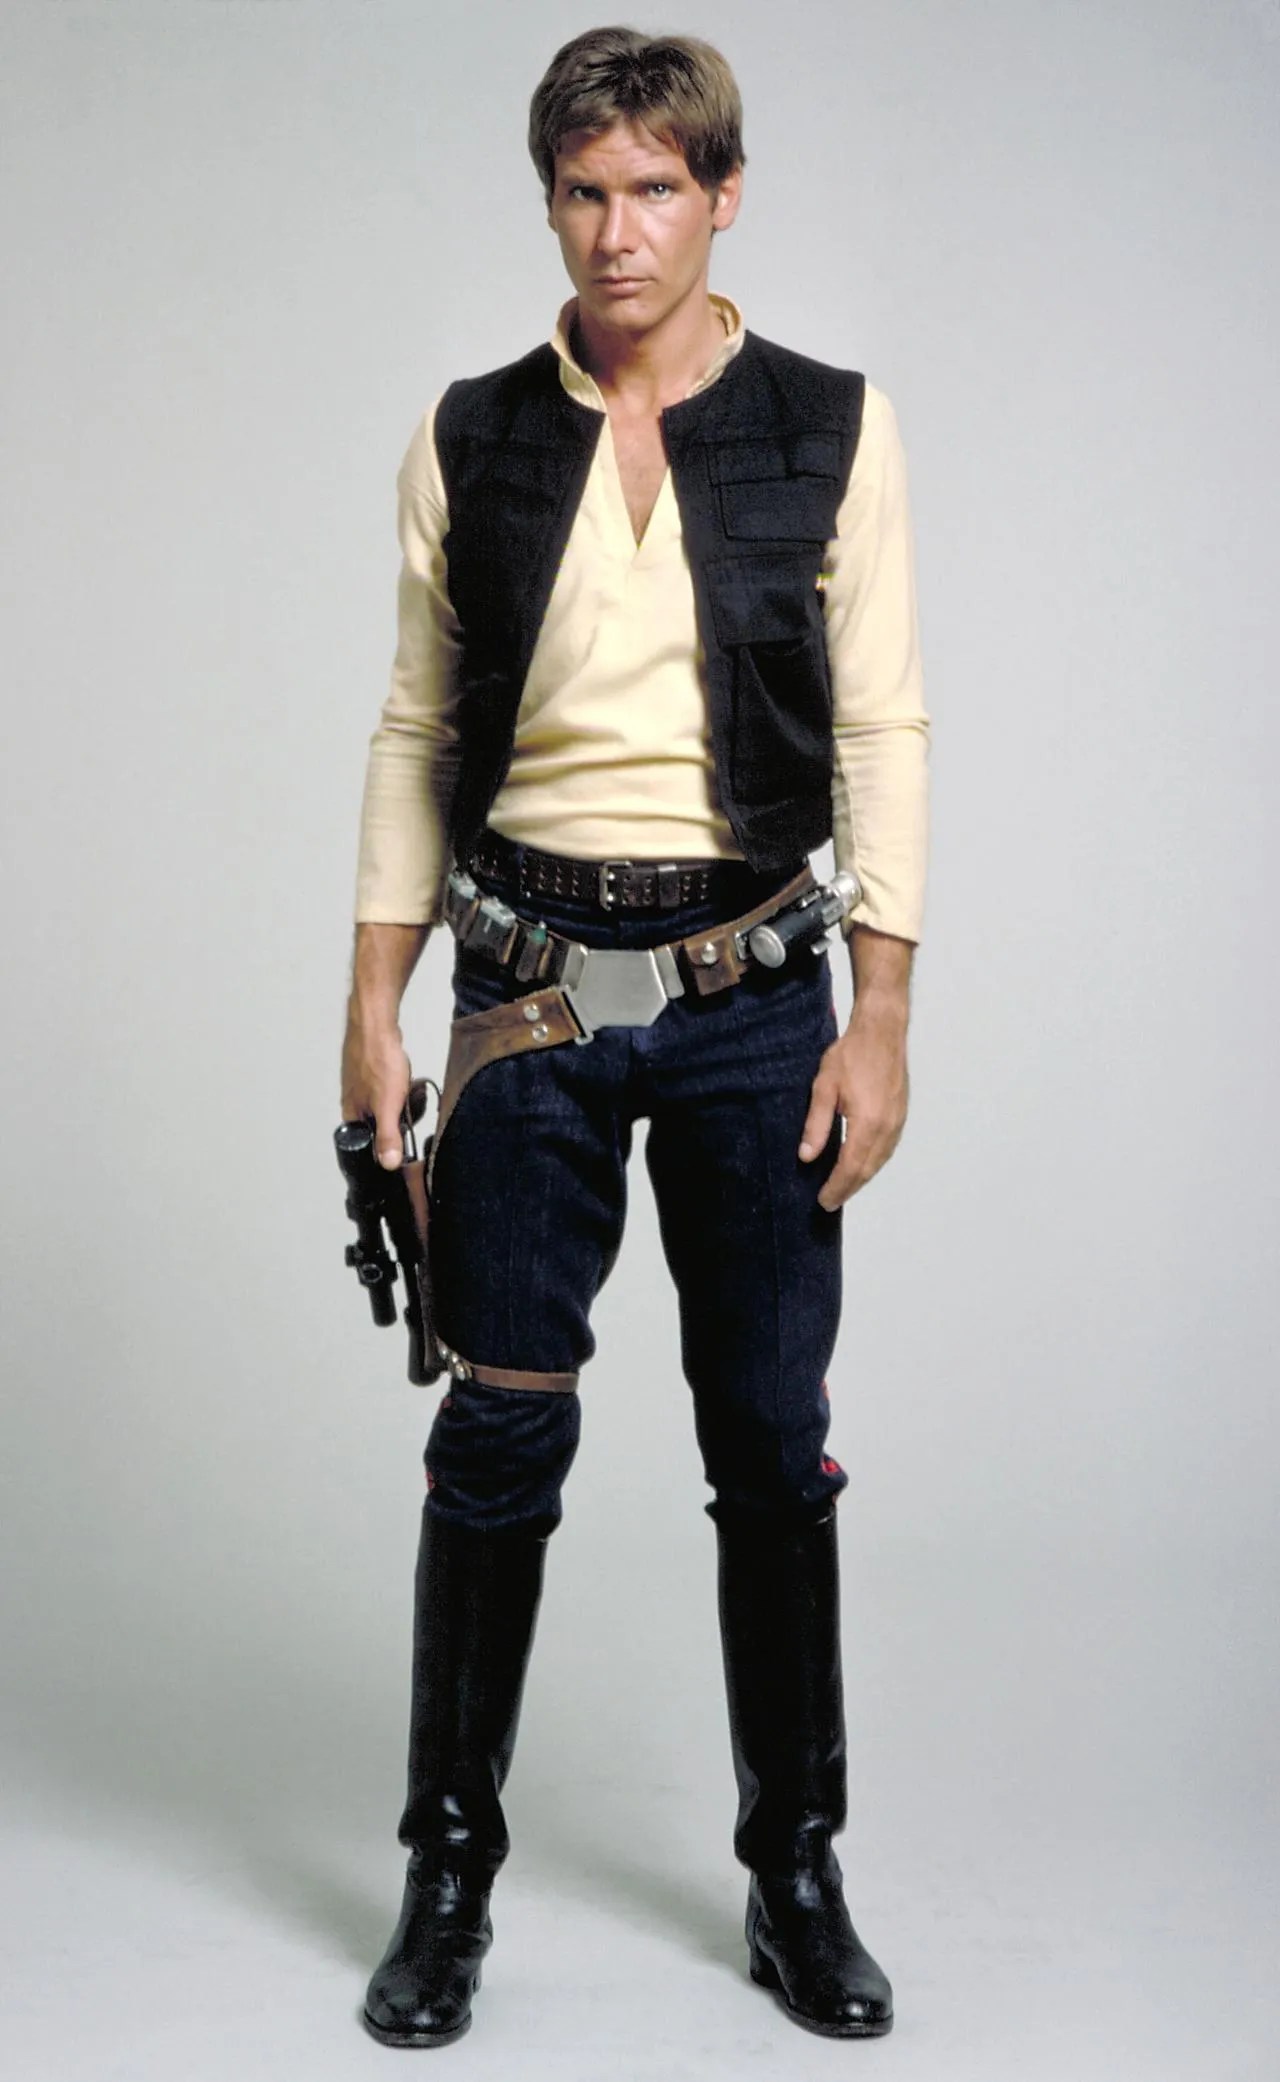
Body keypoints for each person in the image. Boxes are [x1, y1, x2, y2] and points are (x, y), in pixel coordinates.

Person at [340, 25, 928, 2049]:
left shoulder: (833, 426)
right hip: (523, 994)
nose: (619, 232)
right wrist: (367, 1007)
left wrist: (882, 1015)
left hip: (757, 1000)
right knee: (499, 1435)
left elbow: (884, 729)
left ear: (723, 196)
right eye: (585, 193)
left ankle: (795, 1874)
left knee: (769, 1437)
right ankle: (444, 1880)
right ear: (553, 204)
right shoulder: (472, 433)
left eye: (656, 190)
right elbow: (416, 726)